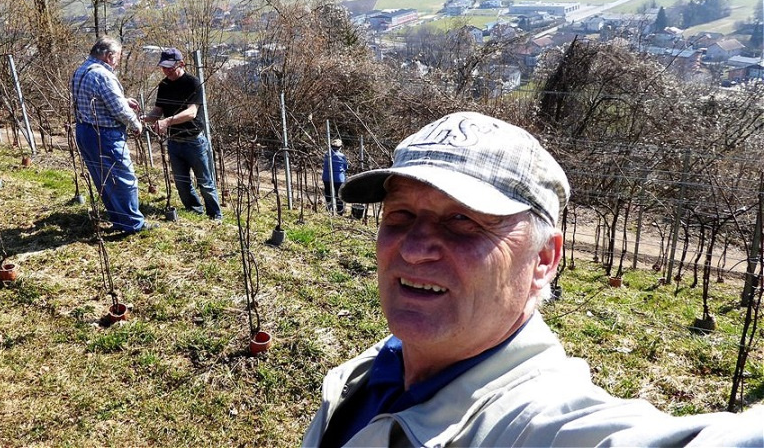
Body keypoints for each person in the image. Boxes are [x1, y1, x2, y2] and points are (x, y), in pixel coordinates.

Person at [302, 111, 763, 447]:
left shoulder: (538, 423)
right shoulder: (367, 373)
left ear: (544, 258)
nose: (415, 247)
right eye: (400, 214)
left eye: (463, 221)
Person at [71, 36, 153, 235]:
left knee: (105, 180)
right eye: (118, 56)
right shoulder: (103, 75)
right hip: (105, 135)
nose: (118, 60)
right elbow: (119, 110)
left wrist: (124, 99)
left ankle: (118, 219)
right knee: (124, 179)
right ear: (108, 56)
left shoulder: (82, 70)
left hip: (85, 130)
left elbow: (97, 98)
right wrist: (136, 124)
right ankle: (133, 224)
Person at [144, 48, 222, 221]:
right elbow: (158, 111)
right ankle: (195, 211)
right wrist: (143, 119)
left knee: (205, 182)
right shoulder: (163, 85)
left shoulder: (193, 83)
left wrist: (167, 122)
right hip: (174, 141)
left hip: (194, 141)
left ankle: (215, 216)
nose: (166, 71)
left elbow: (191, 113)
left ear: (181, 64)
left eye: (169, 67)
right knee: (181, 182)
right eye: (163, 67)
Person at [322, 138, 348, 215]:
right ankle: (340, 211)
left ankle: (329, 208)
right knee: (339, 194)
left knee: (328, 192)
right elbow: (345, 166)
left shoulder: (327, 154)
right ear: (340, 147)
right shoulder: (342, 156)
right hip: (338, 178)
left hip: (326, 177)